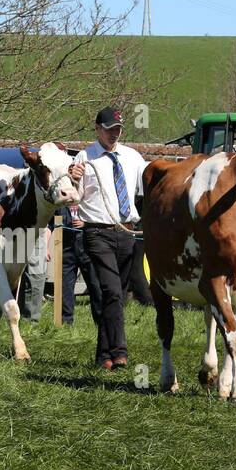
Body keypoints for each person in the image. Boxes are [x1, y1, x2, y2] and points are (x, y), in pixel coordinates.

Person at [68, 107, 147, 370]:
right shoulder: (84, 157)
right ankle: (120, 350)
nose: (114, 134)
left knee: (115, 296)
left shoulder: (133, 157)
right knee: (112, 291)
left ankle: (104, 357)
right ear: (97, 128)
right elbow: (73, 196)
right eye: (109, 129)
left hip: (126, 233)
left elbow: (145, 189)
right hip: (97, 232)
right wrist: (72, 178)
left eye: (118, 130)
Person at [16, 223, 51, 323]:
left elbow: (49, 227)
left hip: (38, 237)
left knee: (35, 280)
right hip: (27, 235)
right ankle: (29, 320)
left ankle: (28, 320)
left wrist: (46, 246)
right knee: (33, 281)